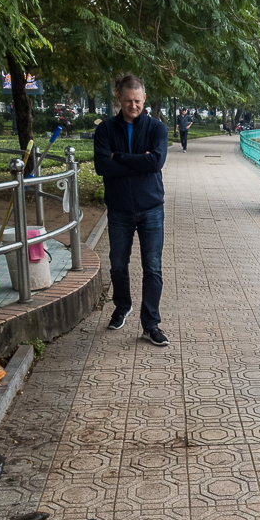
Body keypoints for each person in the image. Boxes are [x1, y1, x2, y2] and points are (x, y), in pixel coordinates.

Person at [93, 74, 171, 346]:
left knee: (153, 267)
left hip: (151, 208)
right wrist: (140, 161)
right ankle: (122, 306)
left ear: (144, 99)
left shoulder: (156, 129)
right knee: (117, 265)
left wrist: (119, 158)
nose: (133, 106)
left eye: (138, 101)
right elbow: (102, 166)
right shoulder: (105, 129)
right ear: (119, 99)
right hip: (119, 209)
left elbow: (155, 164)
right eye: (128, 101)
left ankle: (151, 324)